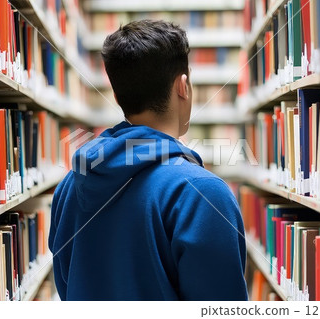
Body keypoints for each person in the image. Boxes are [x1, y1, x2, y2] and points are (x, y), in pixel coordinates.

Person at [49, 20, 248, 301]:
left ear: (117, 95)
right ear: (183, 86)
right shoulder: (202, 193)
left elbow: (66, 284)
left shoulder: (70, 186)